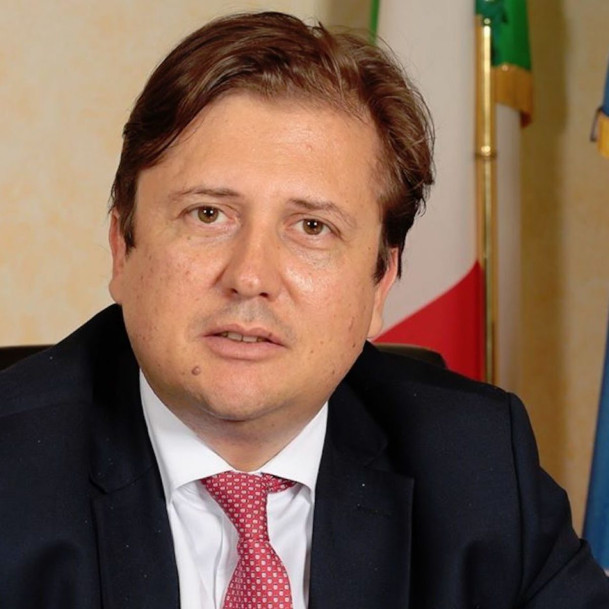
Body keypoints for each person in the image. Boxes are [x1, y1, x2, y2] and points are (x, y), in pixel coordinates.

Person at [1, 11, 608, 609]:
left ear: (381, 282)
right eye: (208, 214)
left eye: (312, 227)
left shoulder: (476, 467)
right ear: (122, 247)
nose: (250, 277)